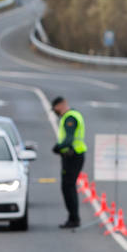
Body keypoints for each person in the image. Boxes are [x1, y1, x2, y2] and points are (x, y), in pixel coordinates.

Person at [50, 96, 86, 228]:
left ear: (61, 105)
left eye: (55, 108)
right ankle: (73, 218)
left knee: (68, 187)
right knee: (69, 187)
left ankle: (74, 219)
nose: (55, 111)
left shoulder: (70, 118)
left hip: (72, 155)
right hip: (74, 155)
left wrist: (57, 147)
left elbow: (69, 139)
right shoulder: (74, 114)